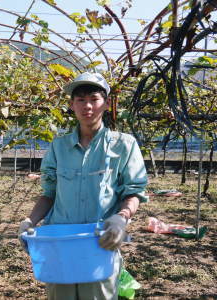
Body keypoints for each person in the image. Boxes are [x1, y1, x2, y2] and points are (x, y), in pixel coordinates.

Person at [18, 72, 148, 300]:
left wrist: (121, 218)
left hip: (99, 243)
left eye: (94, 99)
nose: (88, 106)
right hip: (61, 243)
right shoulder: (59, 146)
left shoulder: (124, 145)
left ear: (107, 103)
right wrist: (30, 221)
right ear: (72, 105)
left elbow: (134, 191)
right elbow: (49, 194)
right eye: (80, 100)